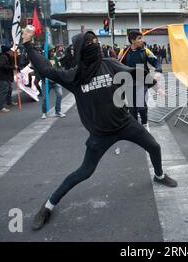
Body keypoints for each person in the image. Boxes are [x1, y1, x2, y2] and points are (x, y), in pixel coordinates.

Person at [20, 27, 177, 231]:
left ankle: (159, 175)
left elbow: (132, 73)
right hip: (100, 135)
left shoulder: (108, 64)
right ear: (79, 50)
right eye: (89, 43)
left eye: (96, 42)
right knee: (84, 172)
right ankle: (48, 205)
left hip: (126, 124)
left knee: (154, 147)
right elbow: (46, 69)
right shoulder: (74, 76)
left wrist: (155, 85)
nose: (94, 45)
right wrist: (27, 45)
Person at [118, 31, 162, 131]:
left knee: (141, 105)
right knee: (132, 108)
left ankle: (144, 123)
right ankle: (135, 126)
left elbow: (156, 62)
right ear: (132, 41)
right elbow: (117, 65)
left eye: (141, 38)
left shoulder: (145, 51)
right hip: (128, 83)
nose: (142, 40)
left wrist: (158, 70)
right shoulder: (123, 52)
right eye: (139, 38)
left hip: (142, 82)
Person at [40, 49, 66, 119]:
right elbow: (38, 70)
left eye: (53, 51)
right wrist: (42, 77)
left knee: (60, 95)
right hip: (46, 81)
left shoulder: (54, 58)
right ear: (47, 51)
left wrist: (60, 75)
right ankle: (44, 113)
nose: (52, 53)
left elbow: (60, 67)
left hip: (55, 81)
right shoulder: (42, 59)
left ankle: (58, 111)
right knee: (45, 98)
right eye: (51, 51)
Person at [0, 45, 16, 112]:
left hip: (6, 77)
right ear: (7, 51)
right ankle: (1, 107)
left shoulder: (6, 56)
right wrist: (13, 67)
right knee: (3, 92)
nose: (11, 51)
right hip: (2, 77)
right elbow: (2, 66)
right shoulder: (3, 57)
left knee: (9, 89)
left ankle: (9, 102)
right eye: (10, 50)